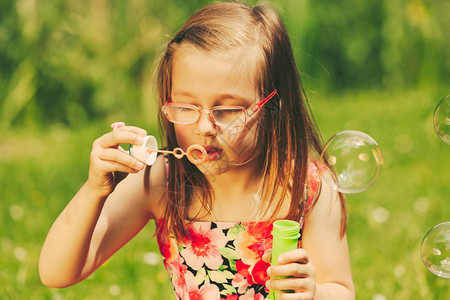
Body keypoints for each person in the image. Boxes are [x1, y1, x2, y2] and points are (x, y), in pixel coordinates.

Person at [39, 1, 355, 299]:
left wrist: (314, 292)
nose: (204, 128)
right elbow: (57, 272)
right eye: (186, 106)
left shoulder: (306, 187)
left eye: (229, 110)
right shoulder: (161, 181)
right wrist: (95, 190)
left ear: (273, 106)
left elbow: (340, 288)